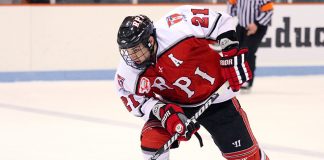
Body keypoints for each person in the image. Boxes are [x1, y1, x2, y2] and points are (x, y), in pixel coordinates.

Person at [115, 5, 269, 160]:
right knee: (152, 140)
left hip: (216, 96)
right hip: (175, 107)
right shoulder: (128, 70)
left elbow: (220, 21)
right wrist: (163, 112)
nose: (131, 56)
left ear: (149, 40)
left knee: (245, 156)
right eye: (127, 51)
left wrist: (230, 52)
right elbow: (131, 96)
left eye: (136, 49)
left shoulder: (177, 26)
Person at [227, 0, 274, 91]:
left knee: (248, 52)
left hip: (258, 26)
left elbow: (269, 10)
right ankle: (237, 78)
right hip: (241, 26)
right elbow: (232, 7)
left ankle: (247, 80)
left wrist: (256, 24)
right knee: (235, 52)